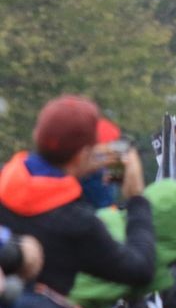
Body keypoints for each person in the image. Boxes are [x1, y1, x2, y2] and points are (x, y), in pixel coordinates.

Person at [0, 95, 154, 297]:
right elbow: (139, 269)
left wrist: (79, 165)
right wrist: (137, 199)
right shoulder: (78, 223)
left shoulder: (4, 179)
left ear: (37, 134)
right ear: (82, 154)